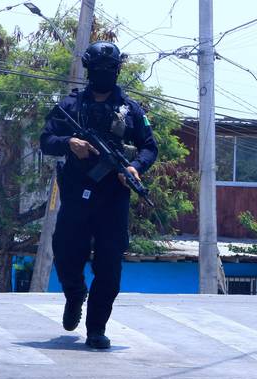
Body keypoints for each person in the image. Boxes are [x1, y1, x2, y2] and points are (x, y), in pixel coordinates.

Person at [40, 41, 158, 349]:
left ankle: (96, 329)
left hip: (113, 198)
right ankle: (75, 293)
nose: (104, 74)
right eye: (99, 69)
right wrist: (70, 143)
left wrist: (133, 167)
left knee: (109, 267)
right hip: (77, 195)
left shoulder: (131, 110)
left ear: (117, 70)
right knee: (65, 254)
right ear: (89, 71)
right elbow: (46, 139)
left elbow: (149, 147)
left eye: (110, 69)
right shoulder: (70, 107)